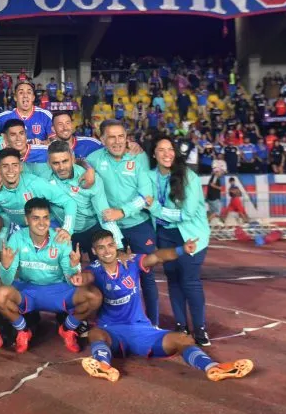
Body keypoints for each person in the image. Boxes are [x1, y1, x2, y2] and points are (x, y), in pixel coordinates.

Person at [79, 229, 253, 384]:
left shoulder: (132, 262)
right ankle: (103, 366)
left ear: (116, 245)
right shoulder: (93, 270)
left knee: (183, 339)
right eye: (101, 248)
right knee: (95, 333)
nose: (107, 250)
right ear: (94, 251)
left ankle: (213, 368)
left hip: (141, 330)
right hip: (112, 331)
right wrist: (77, 275)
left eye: (110, 245)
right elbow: (85, 278)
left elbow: (157, 256)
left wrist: (182, 250)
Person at [0, 198, 102, 354]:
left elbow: (71, 279)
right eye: (36, 218)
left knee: (94, 296)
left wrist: (74, 265)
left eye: (45, 217)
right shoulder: (17, 237)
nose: (42, 223)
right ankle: (23, 331)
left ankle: (67, 329)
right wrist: (6, 265)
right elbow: (7, 281)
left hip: (58, 290)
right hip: (28, 290)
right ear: (26, 219)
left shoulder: (61, 238)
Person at [85, 120, 158, 325]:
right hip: (109, 227)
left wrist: (122, 211)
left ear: (127, 138)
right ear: (102, 139)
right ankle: (107, 322)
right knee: (104, 276)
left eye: (121, 136)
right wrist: (85, 168)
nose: (117, 142)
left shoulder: (138, 157)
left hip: (138, 224)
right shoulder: (94, 159)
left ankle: (153, 322)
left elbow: (146, 196)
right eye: (111, 137)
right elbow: (77, 166)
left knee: (146, 275)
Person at [147, 136, 213, 345]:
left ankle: (200, 329)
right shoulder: (149, 176)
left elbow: (188, 213)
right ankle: (181, 325)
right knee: (173, 280)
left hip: (190, 235)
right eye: (161, 149)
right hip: (165, 236)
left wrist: (157, 210)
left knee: (190, 281)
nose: (167, 154)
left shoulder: (188, 177)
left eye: (170, 150)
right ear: (154, 154)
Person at [46, 140, 122, 258]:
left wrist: (118, 246)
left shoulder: (92, 179)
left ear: (72, 158)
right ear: (48, 163)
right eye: (56, 163)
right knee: (68, 273)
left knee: (102, 270)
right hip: (64, 231)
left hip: (92, 229)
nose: (61, 167)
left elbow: (105, 214)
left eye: (65, 161)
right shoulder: (44, 181)